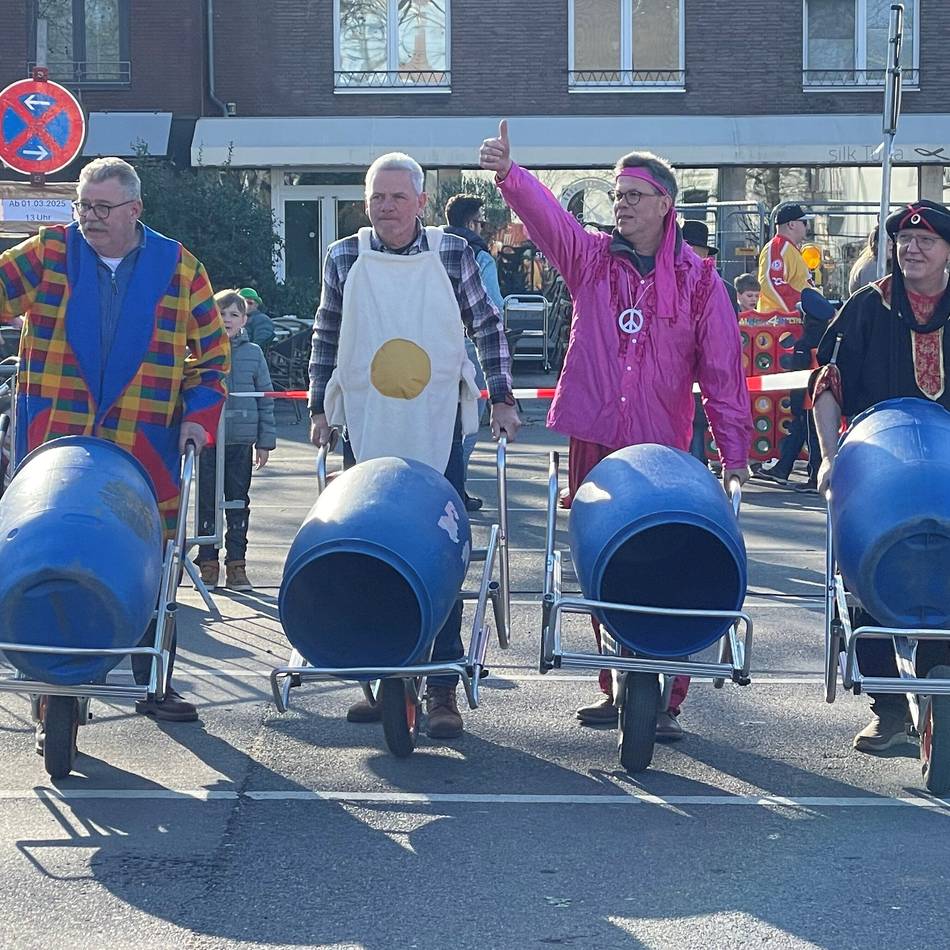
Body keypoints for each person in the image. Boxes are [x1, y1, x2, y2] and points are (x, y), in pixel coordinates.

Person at [480, 121, 752, 739]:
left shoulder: (700, 280)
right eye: (617, 194)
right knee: (601, 560)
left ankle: (665, 693)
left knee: (670, 566)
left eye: (633, 194)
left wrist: (734, 452)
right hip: (596, 440)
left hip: (662, 453)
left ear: (665, 203)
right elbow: (553, 224)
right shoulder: (591, 261)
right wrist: (510, 176)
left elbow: (723, 373)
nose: (622, 204)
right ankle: (615, 680)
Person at [0, 157, 230, 724]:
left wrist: (199, 418)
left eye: (102, 207)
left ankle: (155, 680)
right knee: (51, 558)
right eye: (83, 205)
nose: (90, 218)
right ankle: (56, 686)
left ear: (135, 210)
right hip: (56, 444)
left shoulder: (179, 267)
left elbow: (212, 358)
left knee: (154, 558)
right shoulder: (50, 253)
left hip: (145, 444)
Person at [308, 151, 519, 740]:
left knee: (438, 551)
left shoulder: (452, 253)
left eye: (399, 197)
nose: (387, 208)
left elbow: (487, 325)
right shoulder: (344, 255)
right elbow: (328, 330)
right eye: (378, 197)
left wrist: (501, 395)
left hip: (435, 427)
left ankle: (442, 682)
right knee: (368, 549)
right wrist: (319, 406)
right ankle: (381, 675)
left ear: (421, 202)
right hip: (366, 426)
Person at [813, 200, 950, 753]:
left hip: (946, 471)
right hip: (878, 468)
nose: (912, 249)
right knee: (867, 580)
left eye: (927, 241)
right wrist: (829, 458)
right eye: (903, 240)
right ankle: (889, 706)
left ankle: (939, 684)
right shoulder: (867, 308)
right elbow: (827, 384)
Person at [196, 289, 276, 592]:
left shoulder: (253, 353)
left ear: (244, 319)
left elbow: (266, 399)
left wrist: (265, 441)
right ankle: (207, 563)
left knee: (238, 503)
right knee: (206, 503)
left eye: (233, 314)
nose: (227, 320)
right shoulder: (201, 352)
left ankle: (237, 565)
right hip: (207, 442)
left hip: (240, 442)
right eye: (221, 313)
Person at [444, 193, 504, 512]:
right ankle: (456, 488)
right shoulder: (480, 255)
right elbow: (492, 306)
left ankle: (433, 486)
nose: (483, 226)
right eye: (481, 220)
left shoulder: (431, 247)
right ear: (470, 222)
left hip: (431, 345)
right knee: (468, 420)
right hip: (468, 345)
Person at [750, 288, 834, 491]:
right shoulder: (827, 338)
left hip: (808, 399)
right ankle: (782, 469)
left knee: (813, 439)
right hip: (823, 397)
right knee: (798, 433)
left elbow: (797, 378)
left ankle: (814, 478)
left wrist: (796, 404)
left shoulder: (803, 345)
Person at [682, 220, 739, 464]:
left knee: (695, 427)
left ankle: (696, 469)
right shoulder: (669, 281)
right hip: (686, 368)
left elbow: (728, 335)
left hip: (700, 367)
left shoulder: (722, 288)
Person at [756, 204, 814, 312]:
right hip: (780, 322)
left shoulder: (788, 248)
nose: (807, 227)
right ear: (791, 224)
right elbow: (772, 283)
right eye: (804, 222)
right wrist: (801, 307)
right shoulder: (778, 247)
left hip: (790, 321)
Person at [847, 226, 892, 297]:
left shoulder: (869, 261)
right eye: (887, 240)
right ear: (877, 244)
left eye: (893, 240)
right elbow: (872, 297)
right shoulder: (873, 267)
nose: (891, 244)